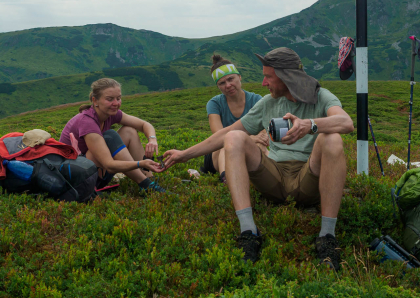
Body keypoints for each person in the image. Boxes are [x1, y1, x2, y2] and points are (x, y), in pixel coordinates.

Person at [161, 47, 354, 270]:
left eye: (268, 77)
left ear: (286, 77)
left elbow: (346, 123)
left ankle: (327, 237)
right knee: (234, 136)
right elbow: (225, 133)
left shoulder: (321, 96)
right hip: (273, 177)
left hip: (308, 177)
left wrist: (309, 125)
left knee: (332, 139)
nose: (264, 83)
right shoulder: (267, 103)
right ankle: (248, 232)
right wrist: (185, 154)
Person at [60, 78, 167, 194]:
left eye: (118, 98)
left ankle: (149, 179)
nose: (116, 103)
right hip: (78, 180)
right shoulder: (87, 122)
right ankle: (146, 184)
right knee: (109, 136)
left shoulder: (110, 113)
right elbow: (109, 165)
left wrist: (152, 139)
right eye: (109, 99)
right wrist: (141, 163)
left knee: (129, 131)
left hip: (93, 170)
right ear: (95, 101)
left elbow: (144, 124)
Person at [201, 54, 269, 183]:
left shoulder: (256, 100)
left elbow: (264, 133)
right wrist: (250, 138)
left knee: (260, 144)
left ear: (239, 77)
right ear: (218, 86)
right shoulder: (214, 104)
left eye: (231, 79)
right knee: (226, 144)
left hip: (249, 148)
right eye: (222, 83)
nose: (228, 85)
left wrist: (253, 140)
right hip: (217, 154)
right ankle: (226, 178)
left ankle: (271, 173)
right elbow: (219, 135)